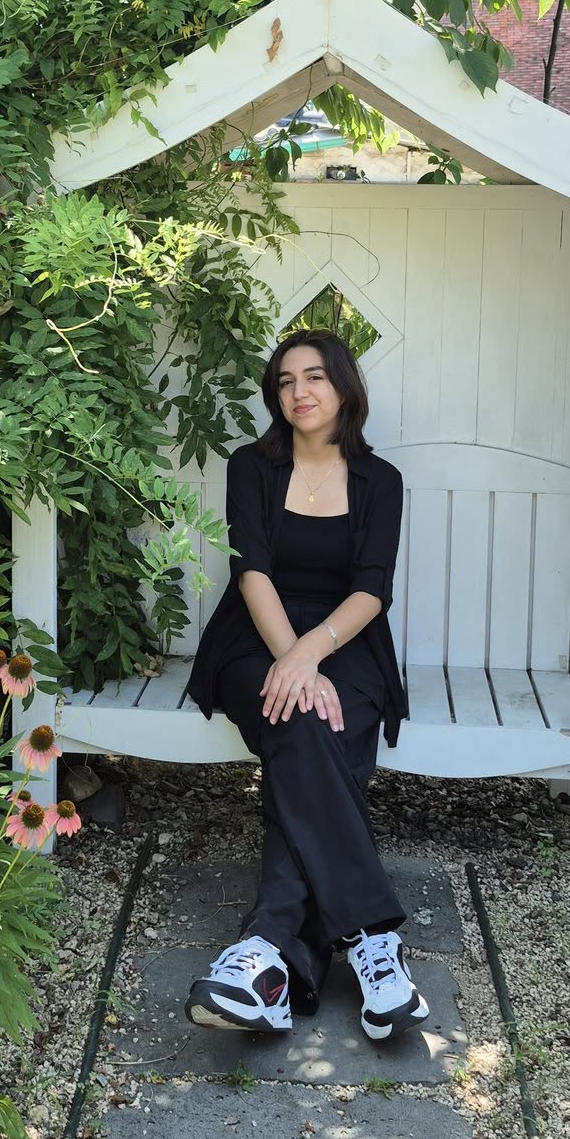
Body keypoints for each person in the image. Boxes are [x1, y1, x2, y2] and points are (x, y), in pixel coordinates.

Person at [183, 328, 424, 1042]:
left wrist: (312, 655)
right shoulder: (250, 467)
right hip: (255, 636)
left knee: (318, 722)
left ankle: (268, 958)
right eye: (286, 381)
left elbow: (372, 589)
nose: (300, 392)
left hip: (347, 639)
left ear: (344, 387)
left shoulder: (380, 481)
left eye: (314, 376)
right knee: (302, 717)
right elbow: (251, 572)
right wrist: (290, 659)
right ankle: (373, 938)